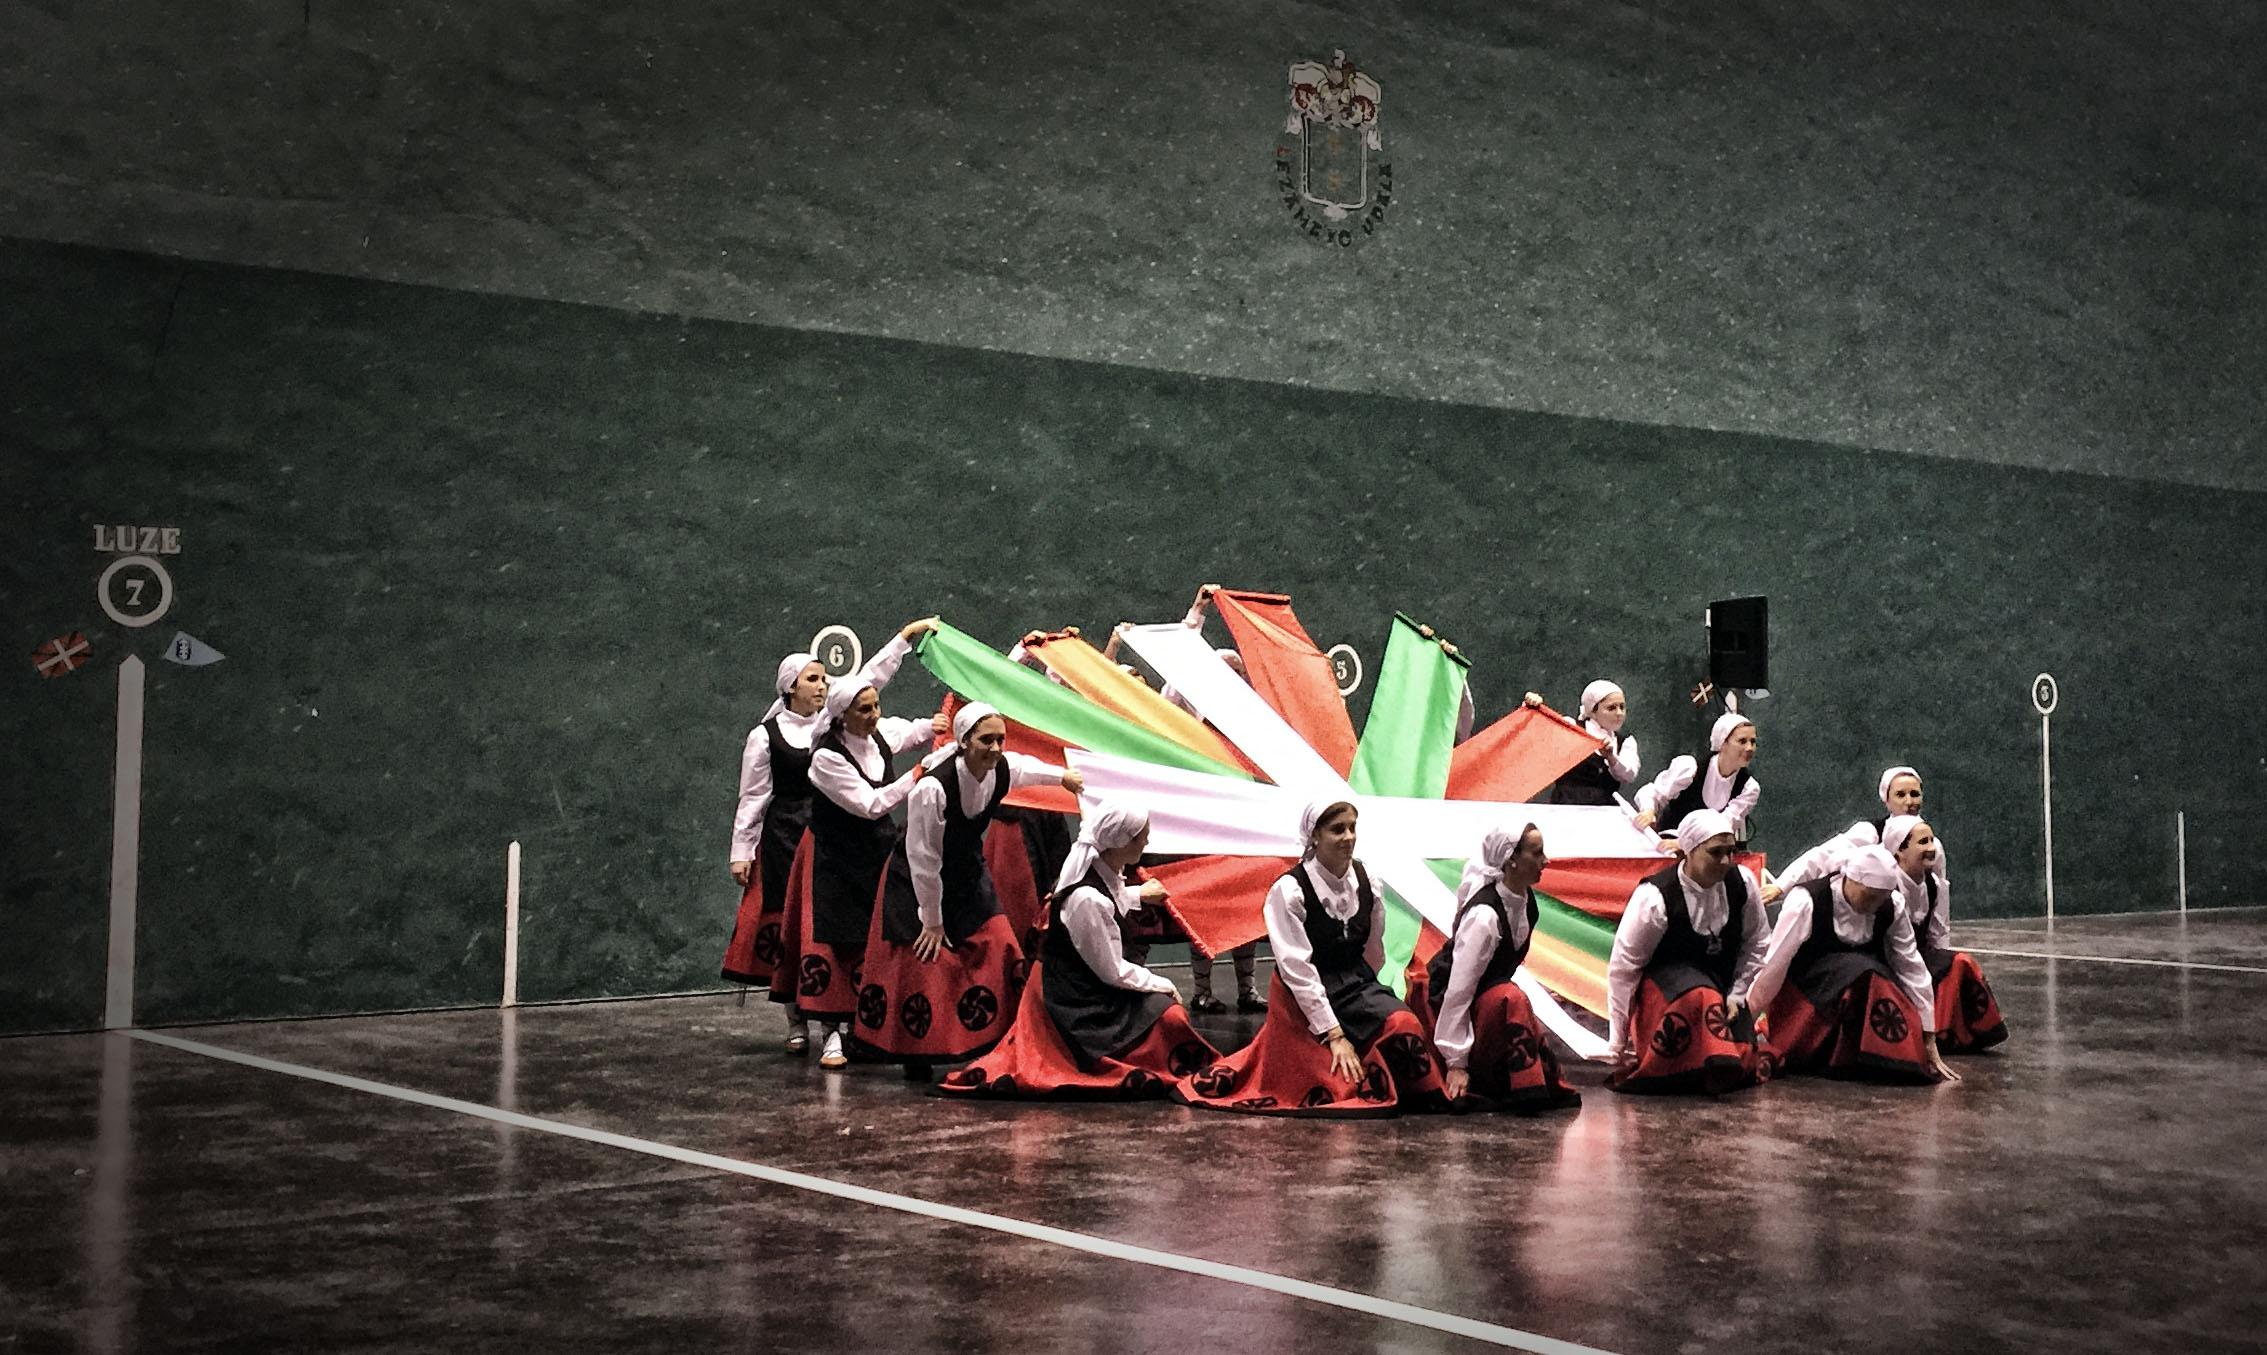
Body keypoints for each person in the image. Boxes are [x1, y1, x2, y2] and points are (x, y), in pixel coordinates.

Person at [1173, 800, 1446, 1116]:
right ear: (1314, 835)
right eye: (1337, 829)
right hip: (1304, 991)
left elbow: (1373, 949)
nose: (1348, 837)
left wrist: (1368, 995)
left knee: (1403, 1025)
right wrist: (1334, 1033)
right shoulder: (1290, 891)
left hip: (1354, 981)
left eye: (1352, 828)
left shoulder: (1367, 880)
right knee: (1338, 1085)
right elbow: (1296, 968)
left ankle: (1399, 1081)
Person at [855, 704, 1083, 1074]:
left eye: (1000, 739)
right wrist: (931, 920)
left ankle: (1002, 1040)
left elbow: (1024, 768)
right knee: (925, 963)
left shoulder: (1000, 768)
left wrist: (1064, 778)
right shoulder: (932, 788)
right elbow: (924, 858)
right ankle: (918, 1055)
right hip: (917, 880)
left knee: (1001, 946)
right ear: (964, 741)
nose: (995, 748)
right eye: (986, 740)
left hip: (966, 873)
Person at [939, 800, 1222, 1099]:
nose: (1147, 843)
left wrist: (1138, 895)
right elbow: (1112, 970)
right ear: (1120, 843)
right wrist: (1162, 983)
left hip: (1084, 983)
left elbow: (1108, 900)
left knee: (1165, 1013)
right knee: (1170, 1016)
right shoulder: (1087, 899)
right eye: (1141, 837)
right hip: (1076, 999)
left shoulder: (1098, 874)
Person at [769, 619, 944, 1070]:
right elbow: (870, 805)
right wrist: (919, 774)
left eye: (876, 706)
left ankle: (867, 1030)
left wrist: (939, 723)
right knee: (836, 941)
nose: (874, 715)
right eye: (864, 710)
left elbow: (911, 727)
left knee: (874, 940)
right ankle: (830, 1032)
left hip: (876, 857)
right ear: (843, 715)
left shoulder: (878, 733)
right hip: (836, 859)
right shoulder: (826, 757)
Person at [1748, 844, 1958, 1082]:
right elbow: (1773, 966)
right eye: (1870, 895)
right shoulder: (1806, 901)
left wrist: (1928, 1037)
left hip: (1861, 990)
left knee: (1878, 979)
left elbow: (1911, 967)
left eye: (1882, 897)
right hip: (1807, 996)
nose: (1875, 904)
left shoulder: (1892, 904)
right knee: (1865, 973)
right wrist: (1747, 1021)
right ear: (1851, 880)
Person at [1605, 809, 1773, 1094]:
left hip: (1721, 991)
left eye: (1730, 852)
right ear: (1689, 851)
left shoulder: (1741, 883)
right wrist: (1618, 1042)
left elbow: (1757, 942)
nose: (1725, 861)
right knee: (1700, 998)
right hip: (1667, 996)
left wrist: (1737, 994)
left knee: (1741, 1060)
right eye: (1715, 853)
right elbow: (1624, 970)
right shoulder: (1655, 898)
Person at [1423, 822, 1581, 1111]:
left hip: (1483, 994)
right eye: (1537, 853)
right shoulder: (1484, 917)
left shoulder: (1525, 901)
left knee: (1512, 996)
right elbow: (1459, 989)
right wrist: (1456, 1062)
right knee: (1511, 997)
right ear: (1511, 859)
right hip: (1449, 1002)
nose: (1546, 860)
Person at [719, 651, 828, 1041]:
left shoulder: (833, 726)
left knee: (828, 925)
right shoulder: (764, 736)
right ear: (790, 687)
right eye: (813, 679)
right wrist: (741, 852)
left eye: (824, 679)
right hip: (784, 837)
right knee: (789, 926)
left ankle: (833, 1026)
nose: (822, 686)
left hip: (829, 834)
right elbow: (753, 797)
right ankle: (795, 1020)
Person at [1883, 815, 2007, 1053]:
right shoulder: (1886, 887)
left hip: (1919, 956)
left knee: (1959, 963)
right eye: (1923, 842)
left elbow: (1938, 932)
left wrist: (1943, 968)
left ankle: (1947, 1032)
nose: (1932, 848)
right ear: (1899, 851)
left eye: (1931, 840)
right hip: (1888, 961)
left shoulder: (1934, 885)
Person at [1635, 712, 1760, 843]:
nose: (1749, 748)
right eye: (1742, 741)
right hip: (1668, 841)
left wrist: (1684, 845)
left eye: (1753, 742)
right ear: (1723, 743)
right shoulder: (1690, 768)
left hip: (1710, 849)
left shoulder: (1748, 788)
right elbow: (1653, 792)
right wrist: (1648, 811)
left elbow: (1724, 826)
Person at [1545, 680, 1642, 807]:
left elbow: (1628, 776)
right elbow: (1542, 732)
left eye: (1622, 707)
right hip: (1567, 805)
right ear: (1592, 711)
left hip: (1604, 808)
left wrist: (1611, 758)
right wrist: (1532, 703)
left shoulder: (1625, 742)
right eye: (1611, 708)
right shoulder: (1571, 727)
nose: (1619, 713)